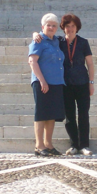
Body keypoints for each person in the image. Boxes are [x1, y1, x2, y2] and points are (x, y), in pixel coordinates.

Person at [33, 14, 95, 156]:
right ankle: (74, 144)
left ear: (77, 28)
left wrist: (91, 82)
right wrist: (35, 33)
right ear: (63, 28)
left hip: (82, 82)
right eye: (67, 26)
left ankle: (84, 145)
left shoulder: (83, 43)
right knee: (69, 116)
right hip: (65, 84)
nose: (70, 29)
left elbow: (90, 64)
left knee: (84, 114)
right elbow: (43, 37)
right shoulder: (58, 42)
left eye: (73, 26)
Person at [28, 13, 65, 156]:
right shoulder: (38, 41)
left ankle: (48, 144)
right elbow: (32, 61)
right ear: (43, 26)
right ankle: (39, 145)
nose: (51, 27)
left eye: (54, 25)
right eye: (48, 25)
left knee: (52, 114)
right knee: (42, 113)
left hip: (56, 82)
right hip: (42, 82)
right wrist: (42, 80)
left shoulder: (56, 41)